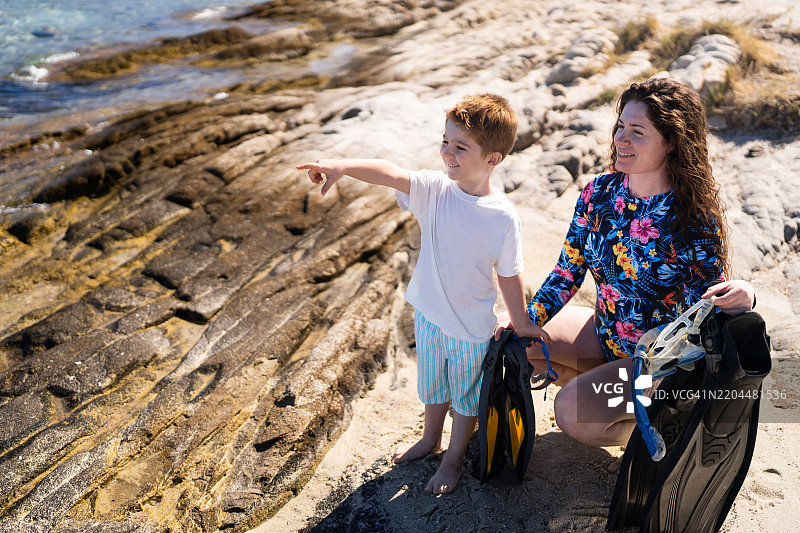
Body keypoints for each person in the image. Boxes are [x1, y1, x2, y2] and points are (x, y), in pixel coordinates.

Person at [497, 78, 755, 469]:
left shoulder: (692, 218)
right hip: (606, 335)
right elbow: (567, 273)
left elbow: (709, 309)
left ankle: (653, 427)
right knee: (509, 341)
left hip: (660, 365)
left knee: (571, 412)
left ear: (672, 143)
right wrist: (525, 321)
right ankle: (613, 399)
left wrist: (745, 295)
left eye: (638, 132)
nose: (622, 139)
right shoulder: (597, 193)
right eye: (621, 126)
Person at [297, 93, 550, 494]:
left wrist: (520, 321)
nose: (447, 152)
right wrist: (341, 166)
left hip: (470, 330)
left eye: (460, 147)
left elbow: (509, 274)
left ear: (492, 159)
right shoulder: (434, 189)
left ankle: (452, 460)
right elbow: (390, 172)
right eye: (445, 141)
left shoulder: (502, 216)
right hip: (429, 317)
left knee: (466, 401)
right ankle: (430, 439)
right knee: (433, 388)